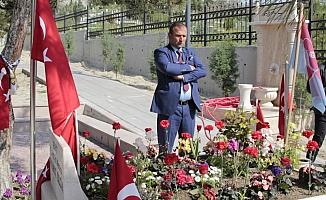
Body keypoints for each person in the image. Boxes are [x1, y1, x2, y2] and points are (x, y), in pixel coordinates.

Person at [150, 22, 207, 153]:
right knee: (166, 147)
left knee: (187, 148)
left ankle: (185, 171)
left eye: (184, 36)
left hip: (189, 107)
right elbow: (167, 68)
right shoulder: (161, 53)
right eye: (178, 36)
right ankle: (165, 171)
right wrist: (189, 68)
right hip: (170, 107)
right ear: (169, 36)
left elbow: (202, 70)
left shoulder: (190, 52)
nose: (181, 39)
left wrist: (184, 77)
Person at [306, 61, 326, 162]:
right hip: (323, 109)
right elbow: (310, 88)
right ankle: (310, 160)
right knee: (319, 136)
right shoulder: (320, 69)